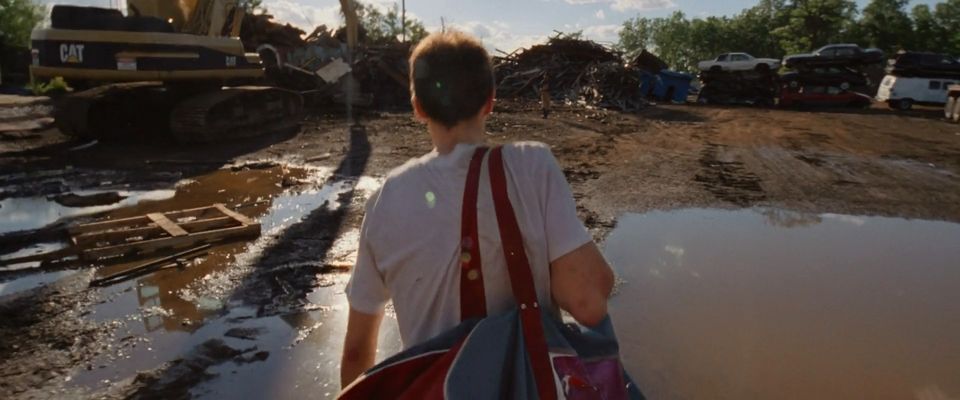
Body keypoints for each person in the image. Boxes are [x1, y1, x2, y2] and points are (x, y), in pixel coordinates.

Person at [339, 31, 615, 388]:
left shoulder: (384, 199)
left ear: (418, 107)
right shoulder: (532, 164)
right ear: (490, 101)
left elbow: (356, 353)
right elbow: (588, 301)